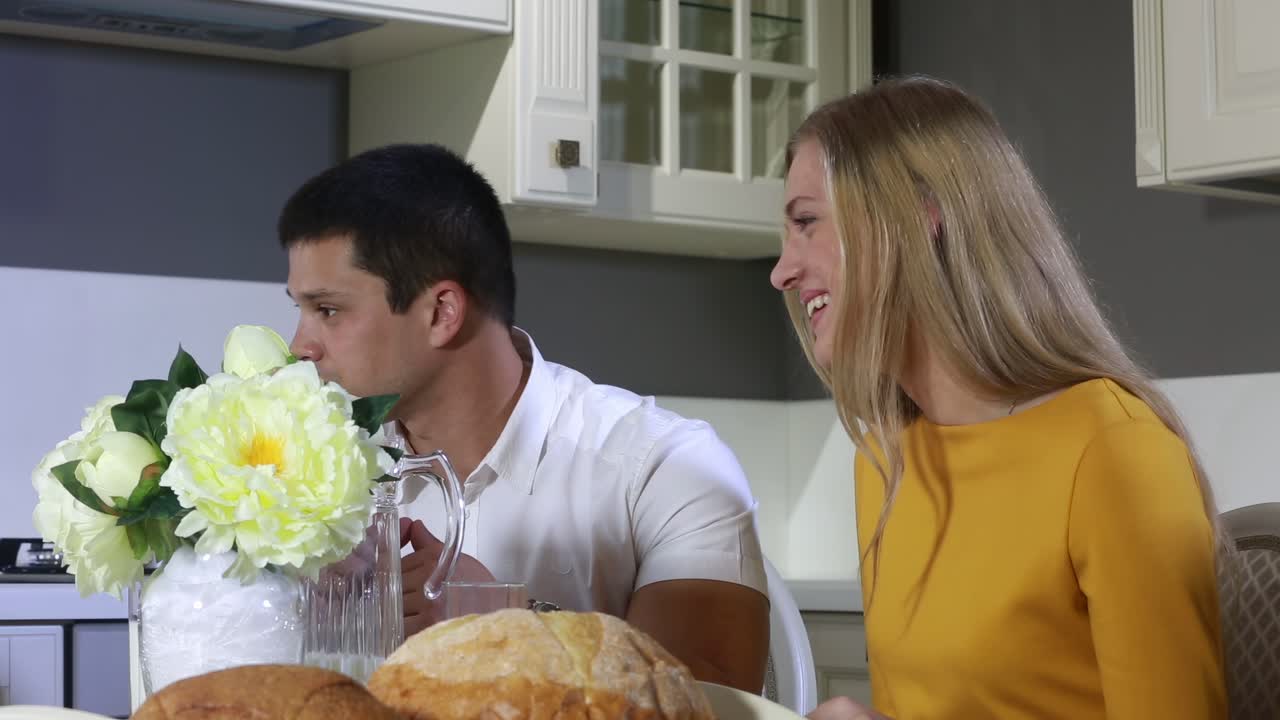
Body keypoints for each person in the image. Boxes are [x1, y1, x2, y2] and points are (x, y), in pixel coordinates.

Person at [770, 76, 1228, 719]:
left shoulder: (1112, 452)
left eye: (807, 223)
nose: (782, 271)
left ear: (918, 213)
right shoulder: (886, 454)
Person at [277, 143, 770, 693]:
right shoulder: (308, 481)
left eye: (328, 310)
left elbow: (712, 699)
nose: (300, 345)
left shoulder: (668, 468)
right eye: (299, 309)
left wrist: (514, 628)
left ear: (441, 313)